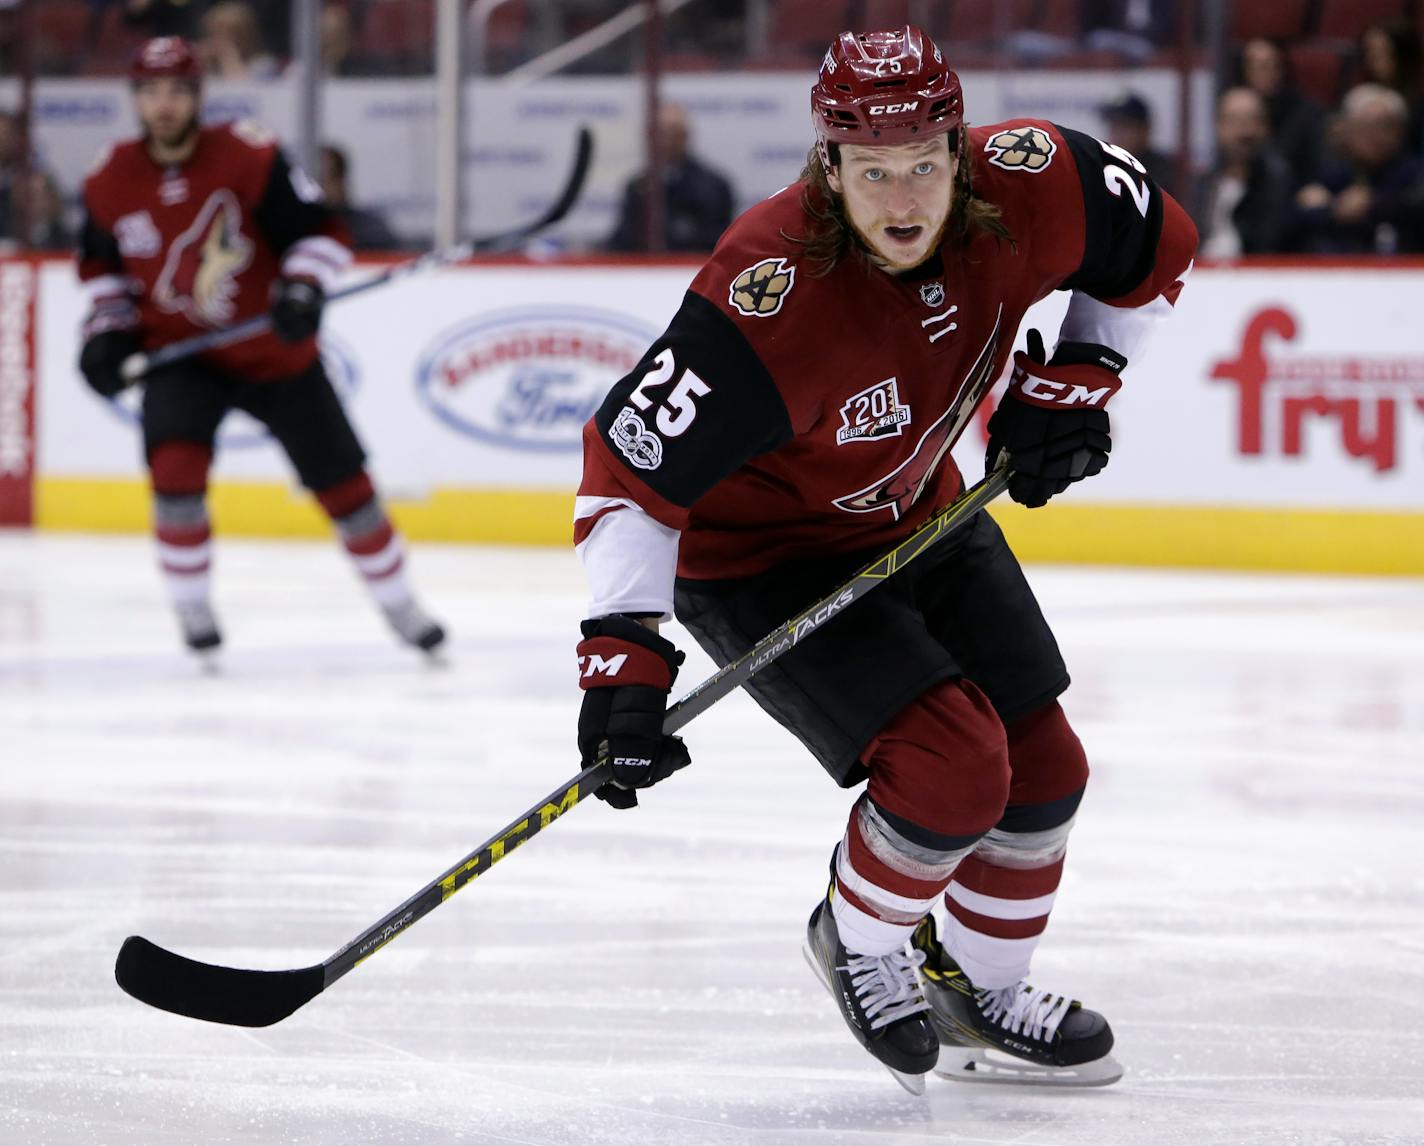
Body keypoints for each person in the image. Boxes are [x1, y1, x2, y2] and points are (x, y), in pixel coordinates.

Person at [572, 25, 1196, 1091]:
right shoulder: (761, 295)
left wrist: (1078, 374)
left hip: (920, 515)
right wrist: (621, 656)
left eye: (920, 166)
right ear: (827, 165)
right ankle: (858, 943)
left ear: (959, 149)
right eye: (871, 172)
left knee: (1045, 772)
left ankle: (980, 988)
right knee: (953, 773)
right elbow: (629, 473)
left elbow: (1157, 249)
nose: (900, 201)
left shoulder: (1032, 180)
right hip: (761, 558)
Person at [76, 37, 446, 657]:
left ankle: (400, 604)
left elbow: (323, 234)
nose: (163, 105)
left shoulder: (249, 155)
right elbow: (105, 277)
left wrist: (302, 288)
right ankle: (192, 610)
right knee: (174, 475)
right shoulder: (110, 178)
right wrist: (106, 337)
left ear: (197, 96)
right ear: (134, 100)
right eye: (149, 93)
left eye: (176, 91)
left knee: (346, 488)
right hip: (181, 354)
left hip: (274, 353)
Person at [1290, 83, 1424, 254]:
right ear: (1347, 129)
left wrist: (1371, 206)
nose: (1374, 135)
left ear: (1400, 131)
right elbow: (1292, 218)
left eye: (1384, 126)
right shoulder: (1331, 172)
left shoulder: (1414, 173)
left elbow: (1414, 210)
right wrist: (1334, 211)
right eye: (1364, 126)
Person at [606, 102, 735, 253]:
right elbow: (624, 237)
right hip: (644, 272)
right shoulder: (638, 186)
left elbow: (717, 239)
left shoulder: (712, 186)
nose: (666, 140)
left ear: (685, 136)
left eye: (673, 133)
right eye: (662, 133)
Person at [1193, 87, 1294, 257]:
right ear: (1219, 127)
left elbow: (1270, 243)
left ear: (1265, 128)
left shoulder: (1277, 184)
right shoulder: (1203, 183)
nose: (1244, 132)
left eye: (1252, 121)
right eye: (1234, 122)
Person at [1238, 37, 1325, 185]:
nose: (1266, 73)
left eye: (1272, 66)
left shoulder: (1306, 113)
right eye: (1257, 66)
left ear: (1282, 69)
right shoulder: (1233, 108)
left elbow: (1319, 163)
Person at [318, 143, 403, 250]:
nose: (319, 188)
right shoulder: (298, 232)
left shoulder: (371, 231)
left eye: (325, 178)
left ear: (341, 180)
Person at [1098, 91, 1177, 199]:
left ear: (1144, 129)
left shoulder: (1164, 172)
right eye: (1113, 125)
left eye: (1125, 126)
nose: (1117, 133)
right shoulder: (1101, 166)